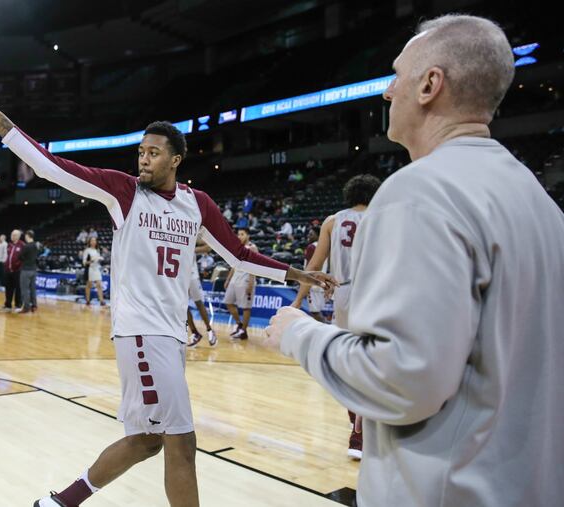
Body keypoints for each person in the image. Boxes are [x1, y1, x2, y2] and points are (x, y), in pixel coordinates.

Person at [0, 70, 334, 507]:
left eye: (153, 153)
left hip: (169, 334)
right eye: (141, 152)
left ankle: (60, 502)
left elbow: (238, 255)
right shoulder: (123, 193)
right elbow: (49, 165)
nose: (144, 159)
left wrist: (296, 273)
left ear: (176, 159)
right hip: (141, 331)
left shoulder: (199, 204)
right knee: (182, 442)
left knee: (145, 441)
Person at [265, 15, 564, 507]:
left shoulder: (419, 192)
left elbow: (401, 380)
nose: (387, 92)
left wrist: (298, 334)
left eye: (397, 75)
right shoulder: (537, 200)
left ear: (430, 85)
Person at [290, 174, 381, 460]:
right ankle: (364, 430)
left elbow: (314, 267)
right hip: (377, 292)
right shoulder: (384, 215)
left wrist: (297, 301)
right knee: (374, 363)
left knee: (348, 365)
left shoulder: (332, 221)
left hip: (343, 294)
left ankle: (357, 429)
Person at [223, 228, 258, 341]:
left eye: (242, 234)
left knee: (246, 307)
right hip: (235, 279)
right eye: (238, 234)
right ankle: (239, 324)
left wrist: (251, 282)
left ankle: (243, 331)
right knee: (228, 302)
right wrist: (228, 279)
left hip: (246, 279)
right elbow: (233, 265)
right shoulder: (238, 248)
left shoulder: (252, 247)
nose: (239, 236)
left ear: (248, 236)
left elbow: (255, 266)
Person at [3, 229, 24, 311]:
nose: (12, 236)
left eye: (14, 235)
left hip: (18, 271)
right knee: (8, 288)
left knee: (18, 288)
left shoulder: (22, 245)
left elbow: (24, 258)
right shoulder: (9, 245)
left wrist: (20, 266)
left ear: (18, 236)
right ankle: (8, 305)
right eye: (12, 235)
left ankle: (18, 305)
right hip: (8, 270)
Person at [18, 229, 38, 313]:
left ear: (27, 236)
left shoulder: (26, 246)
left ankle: (26, 307)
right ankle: (34, 305)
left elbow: (20, 256)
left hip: (26, 269)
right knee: (33, 288)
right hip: (34, 269)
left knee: (24, 289)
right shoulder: (36, 245)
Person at [82, 236, 105, 306]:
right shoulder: (87, 250)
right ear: (89, 242)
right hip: (90, 269)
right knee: (89, 285)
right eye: (92, 240)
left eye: (95, 240)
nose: (93, 242)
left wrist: (100, 259)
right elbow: (84, 262)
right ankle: (88, 300)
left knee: (99, 285)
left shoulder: (97, 250)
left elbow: (98, 259)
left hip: (97, 269)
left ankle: (102, 301)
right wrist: (91, 260)